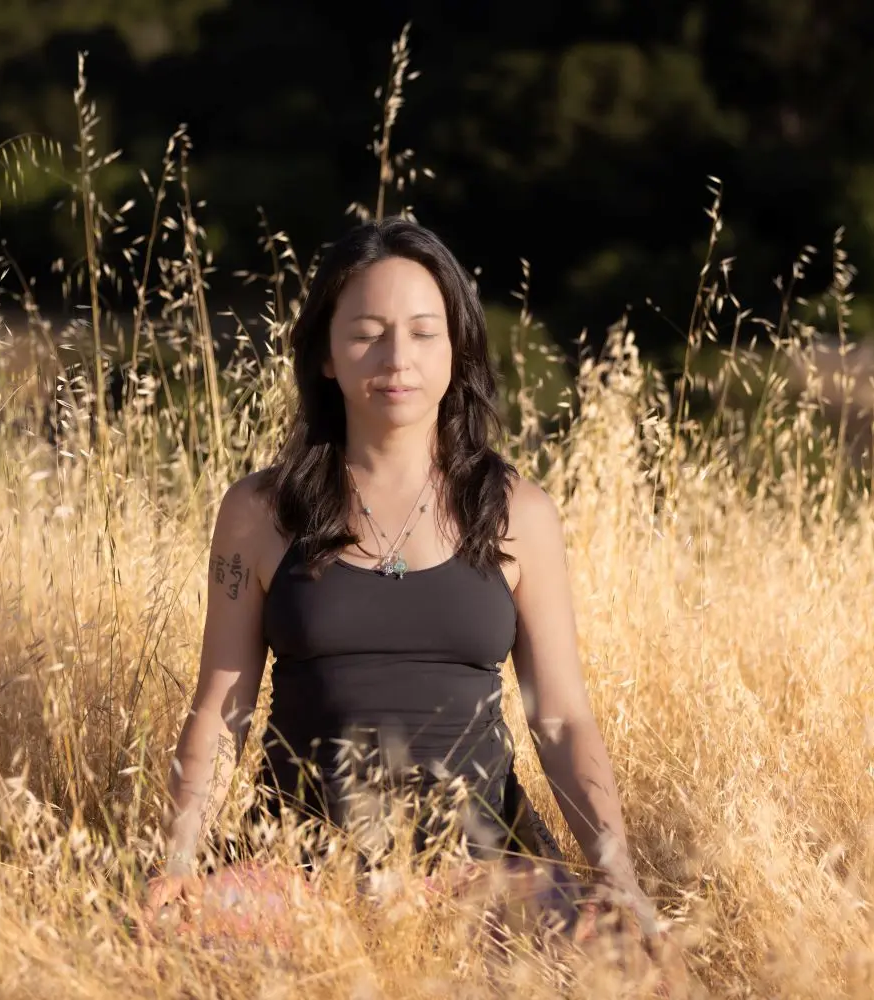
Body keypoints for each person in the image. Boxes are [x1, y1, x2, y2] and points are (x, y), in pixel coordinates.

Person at [142, 216, 661, 950]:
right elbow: (221, 714)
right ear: (325, 354)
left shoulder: (518, 512)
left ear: (456, 349)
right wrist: (179, 862)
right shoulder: (260, 512)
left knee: (631, 963)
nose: (396, 358)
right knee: (174, 946)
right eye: (366, 333)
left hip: (485, 870)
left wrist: (616, 873)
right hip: (301, 871)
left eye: (424, 332)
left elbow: (561, 719)